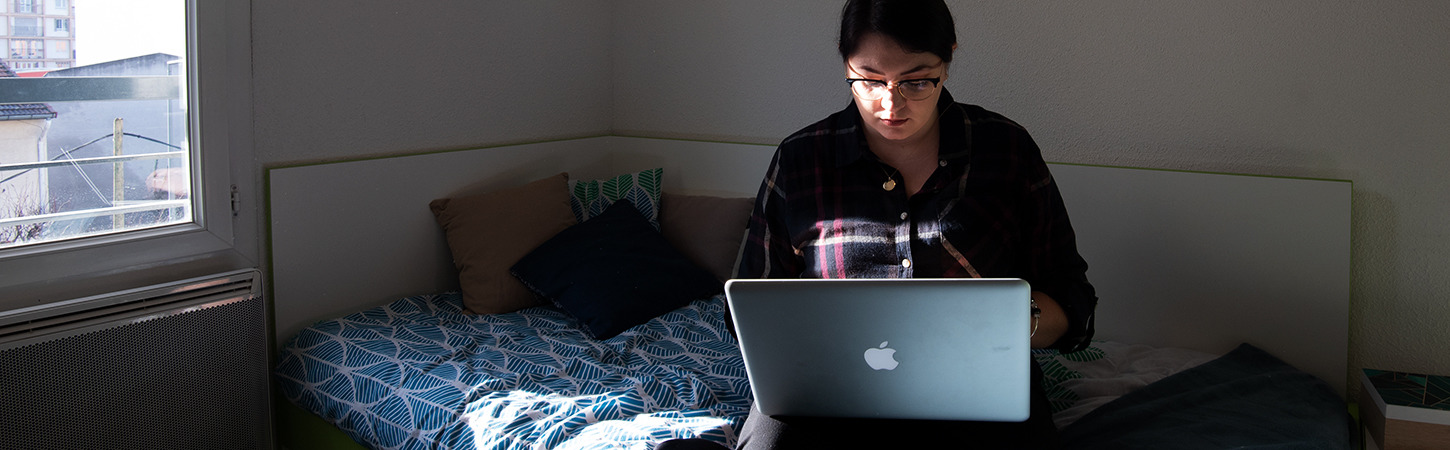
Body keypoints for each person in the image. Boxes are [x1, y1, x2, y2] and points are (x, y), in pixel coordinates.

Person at [659, 0, 1097, 448]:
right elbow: (747, 306)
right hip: (826, 391)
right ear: (845, 64)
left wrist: (1015, 321)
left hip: (979, 392)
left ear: (948, 59)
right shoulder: (801, 158)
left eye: (916, 81)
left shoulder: (1005, 150)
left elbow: (1074, 299)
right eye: (868, 80)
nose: (891, 103)